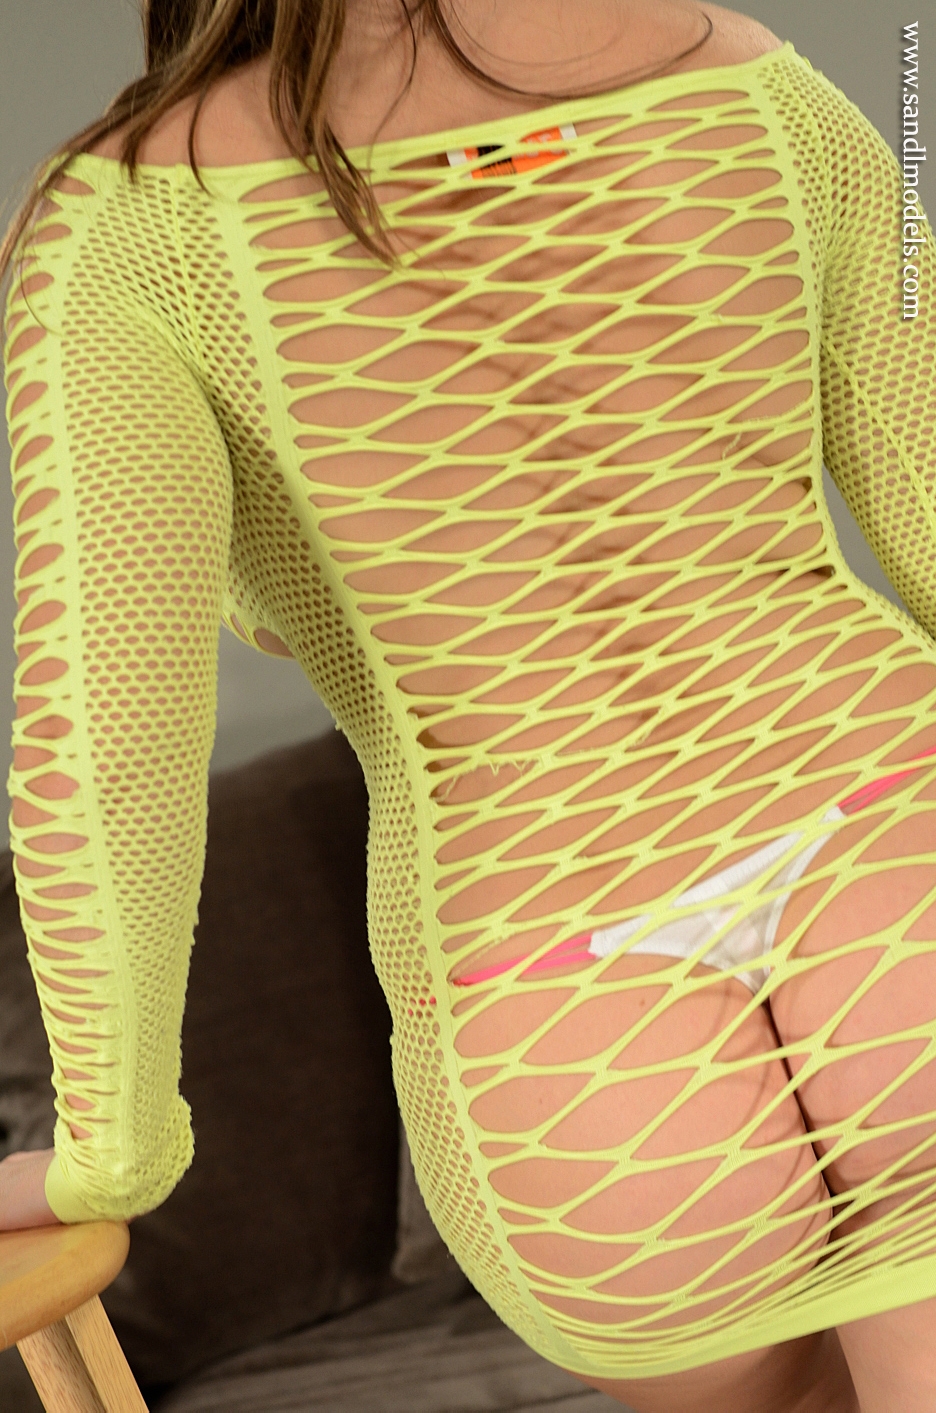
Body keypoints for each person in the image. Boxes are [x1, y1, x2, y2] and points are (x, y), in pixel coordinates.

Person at [1, 2, 934, 1408]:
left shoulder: (128, 221)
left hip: (564, 1003)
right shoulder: (751, 79)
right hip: (897, 862)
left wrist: (110, 1151)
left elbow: (107, 749)